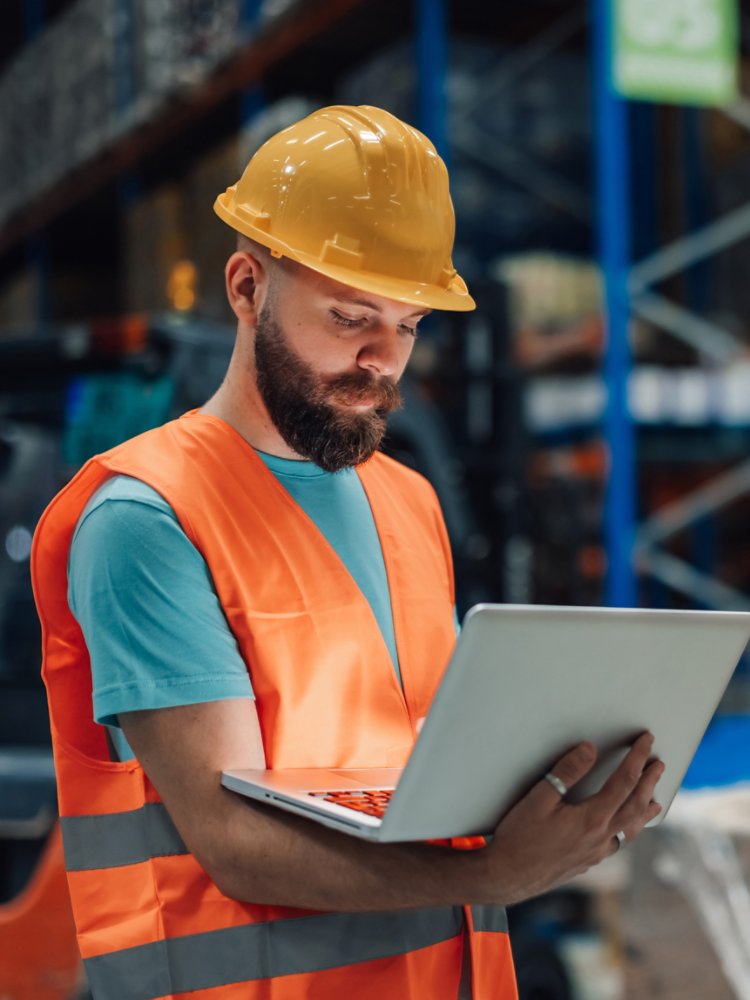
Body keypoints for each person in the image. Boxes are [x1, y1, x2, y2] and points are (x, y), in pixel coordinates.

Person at [32, 106, 663, 1000]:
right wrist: (496, 877)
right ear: (247, 287)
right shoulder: (148, 517)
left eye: (406, 324)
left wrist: (570, 797)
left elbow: (421, 774)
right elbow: (235, 842)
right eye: (349, 315)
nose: (381, 359)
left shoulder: (406, 500)